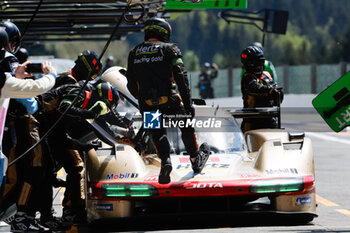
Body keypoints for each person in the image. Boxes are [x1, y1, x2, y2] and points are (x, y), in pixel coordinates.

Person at [126, 17, 210, 185]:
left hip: (147, 104)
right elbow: (181, 75)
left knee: (157, 132)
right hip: (170, 100)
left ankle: (166, 161)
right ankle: (195, 159)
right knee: (186, 125)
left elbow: (130, 82)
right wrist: (187, 104)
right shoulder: (170, 49)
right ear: (164, 32)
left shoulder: (134, 52)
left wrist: (142, 99)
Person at [0, 28, 58, 232]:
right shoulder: (5, 78)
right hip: (14, 128)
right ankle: (22, 215)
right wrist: (51, 75)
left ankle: (25, 215)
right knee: (35, 167)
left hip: (11, 129)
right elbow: (31, 98)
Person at [240, 45, 283, 133]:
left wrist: (278, 94)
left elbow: (276, 95)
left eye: (261, 62)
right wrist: (270, 91)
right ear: (248, 64)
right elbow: (254, 88)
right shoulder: (247, 78)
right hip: (252, 121)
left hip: (270, 118)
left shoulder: (267, 74)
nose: (259, 65)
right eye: (256, 63)